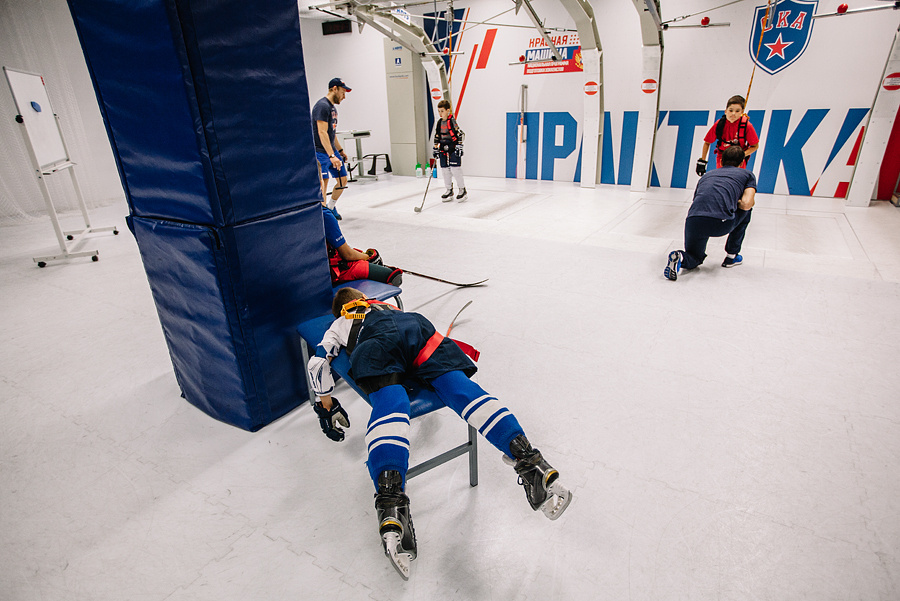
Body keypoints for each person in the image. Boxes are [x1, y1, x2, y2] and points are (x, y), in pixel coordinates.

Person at [307, 287, 572, 579]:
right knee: (461, 390)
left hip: (377, 345)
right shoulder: (387, 306)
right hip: (417, 329)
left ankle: (392, 504)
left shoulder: (338, 324)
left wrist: (327, 406)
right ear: (362, 297)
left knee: (390, 404)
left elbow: (318, 364)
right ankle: (531, 462)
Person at [666, 145, 757, 281]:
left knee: (695, 257)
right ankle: (731, 256)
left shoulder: (706, 176)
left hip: (694, 220)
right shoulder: (747, 175)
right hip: (720, 223)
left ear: (721, 161)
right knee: (748, 211)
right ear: (741, 163)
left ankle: (680, 256)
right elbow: (746, 203)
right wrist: (734, 201)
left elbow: (698, 199)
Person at [321, 201, 402, 286]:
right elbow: (348, 255)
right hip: (333, 273)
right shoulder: (324, 215)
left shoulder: (308, 214)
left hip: (309, 277)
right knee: (394, 276)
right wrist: (366, 257)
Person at [313, 78, 351, 219]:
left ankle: (330, 207)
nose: (344, 96)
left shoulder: (332, 108)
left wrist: (339, 151)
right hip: (321, 152)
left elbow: (331, 133)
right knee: (323, 184)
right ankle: (323, 216)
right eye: (343, 92)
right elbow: (321, 132)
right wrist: (331, 155)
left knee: (342, 180)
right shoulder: (322, 106)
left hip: (331, 151)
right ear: (334, 89)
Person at [695, 95, 759, 176]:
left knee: (736, 181)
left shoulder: (747, 126)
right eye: (731, 110)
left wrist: (742, 155)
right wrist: (702, 161)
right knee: (722, 181)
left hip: (738, 160)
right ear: (726, 111)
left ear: (742, 112)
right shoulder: (719, 124)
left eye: (737, 111)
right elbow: (707, 142)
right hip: (722, 157)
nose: (733, 114)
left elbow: (755, 146)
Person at [433, 99, 467, 202]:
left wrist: (459, 146)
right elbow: (437, 136)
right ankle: (449, 190)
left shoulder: (452, 121)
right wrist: (435, 148)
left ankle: (462, 190)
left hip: (453, 147)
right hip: (443, 148)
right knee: (445, 170)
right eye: (439, 111)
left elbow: (460, 134)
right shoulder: (439, 123)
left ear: (448, 110)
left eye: (442, 111)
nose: (440, 113)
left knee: (455, 169)